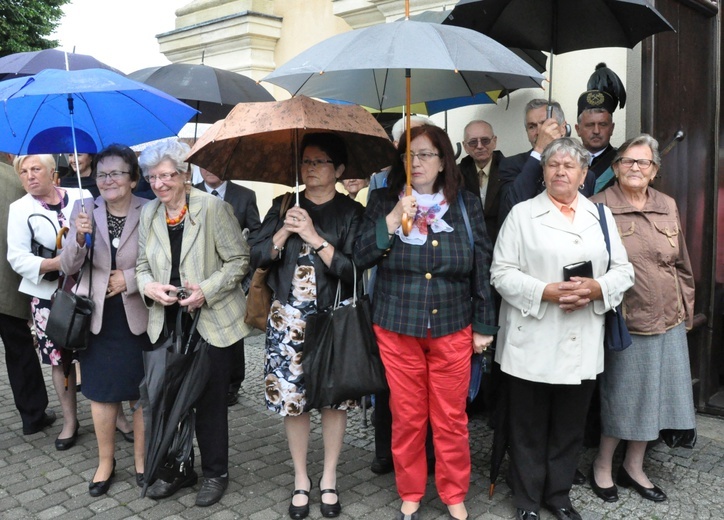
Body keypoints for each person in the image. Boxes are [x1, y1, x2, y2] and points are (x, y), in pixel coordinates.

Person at [354, 124, 497, 520]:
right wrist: (393, 218)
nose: (416, 162)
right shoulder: (384, 197)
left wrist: (484, 325)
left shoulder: (465, 204)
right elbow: (361, 255)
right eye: (409, 155)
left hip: (454, 324)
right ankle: (411, 491)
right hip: (397, 325)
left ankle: (453, 493)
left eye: (425, 154)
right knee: (408, 416)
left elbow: (481, 266)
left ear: (442, 161)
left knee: (451, 418)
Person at [491, 137, 634, 520]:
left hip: (581, 337)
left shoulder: (600, 216)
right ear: (544, 172)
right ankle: (525, 499)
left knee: (569, 426)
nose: (561, 172)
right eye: (554, 165)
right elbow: (500, 273)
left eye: (570, 166)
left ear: (584, 174)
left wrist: (597, 287)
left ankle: (557, 495)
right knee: (528, 426)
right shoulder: (521, 215)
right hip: (532, 337)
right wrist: (546, 291)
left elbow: (624, 271)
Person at [250, 132, 363, 520]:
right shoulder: (283, 203)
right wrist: (284, 230)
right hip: (288, 319)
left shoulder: (351, 212)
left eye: (319, 162)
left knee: (334, 398)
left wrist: (314, 237)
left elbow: (353, 272)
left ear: (339, 170)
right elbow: (256, 256)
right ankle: (302, 478)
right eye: (306, 162)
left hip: (332, 318)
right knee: (292, 401)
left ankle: (329, 476)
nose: (310, 169)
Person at [136, 139, 249, 507]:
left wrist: (206, 290)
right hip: (166, 321)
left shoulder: (213, 208)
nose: (160, 184)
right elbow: (140, 266)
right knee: (167, 400)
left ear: (186, 175)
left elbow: (238, 260)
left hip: (209, 321)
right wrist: (148, 286)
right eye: (153, 177)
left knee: (210, 402)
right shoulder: (150, 214)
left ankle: (216, 473)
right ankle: (179, 468)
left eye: (168, 175)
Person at [589, 134, 695, 504]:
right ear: (615, 168)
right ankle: (602, 465)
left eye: (643, 162)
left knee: (655, 398)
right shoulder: (598, 206)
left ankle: (633, 466)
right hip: (626, 323)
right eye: (628, 161)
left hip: (669, 319)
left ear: (654, 170)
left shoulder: (667, 204)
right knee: (622, 398)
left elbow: (681, 263)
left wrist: (687, 312)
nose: (635, 167)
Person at [59, 145, 151, 496]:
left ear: (132, 178)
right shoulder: (83, 209)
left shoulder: (151, 210)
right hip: (96, 318)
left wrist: (127, 279)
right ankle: (106, 462)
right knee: (101, 394)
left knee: (142, 393)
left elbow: (161, 261)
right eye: (101, 174)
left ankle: (142, 460)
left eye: (116, 173)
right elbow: (68, 267)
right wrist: (79, 238)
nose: (107, 180)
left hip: (139, 315)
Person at [7, 154, 92, 451]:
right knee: (59, 360)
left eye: (36, 169)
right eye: (23, 171)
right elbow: (16, 257)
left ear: (52, 172)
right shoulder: (19, 209)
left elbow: (100, 241)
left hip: (87, 289)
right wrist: (57, 263)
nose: (29, 176)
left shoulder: (82, 195)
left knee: (96, 353)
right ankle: (70, 420)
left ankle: (115, 415)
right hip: (47, 296)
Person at [194, 167, 261, 407]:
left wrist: (242, 244)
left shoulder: (245, 195)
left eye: (214, 165)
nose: (209, 170)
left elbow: (257, 231)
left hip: (233, 276)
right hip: (200, 277)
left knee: (234, 329)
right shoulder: (190, 194)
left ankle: (233, 383)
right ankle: (202, 378)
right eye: (203, 165)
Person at [0, 152, 55, 436]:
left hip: (10, 280)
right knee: (19, 353)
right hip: (8, 286)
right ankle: (33, 415)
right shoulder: (15, 179)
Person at [498, 99, 595, 227]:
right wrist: (539, 151)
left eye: (545, 124)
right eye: (532, 126)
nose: (540, 132)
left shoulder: (584, 172)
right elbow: (511, 207)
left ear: (563, 128)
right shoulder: (510, 165)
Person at [459, 120, 505, 243]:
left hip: (503, 242)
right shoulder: (456, 175)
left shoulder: (509, 171)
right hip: (469, 244)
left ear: (494, 141)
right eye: (473, 142)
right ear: (465, 146)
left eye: (485, 140)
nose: (479, 146)